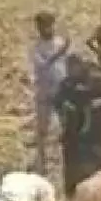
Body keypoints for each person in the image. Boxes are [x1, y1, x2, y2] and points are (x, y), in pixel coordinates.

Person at [55, 55, 101, 200]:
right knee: (74, 172)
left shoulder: (97, 79)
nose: (70, 71)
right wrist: (66, 106)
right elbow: (58, 101)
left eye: (73, 68)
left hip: (97, 134)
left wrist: (100, 103)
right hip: (74, 136)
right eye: (68, 68)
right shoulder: (67, 84)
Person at [29, 12, 69, 173]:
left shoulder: (59, 42)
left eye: (48, 25)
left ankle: (65, 162)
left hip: (61, 91)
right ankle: (41, 162)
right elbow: (43, 66)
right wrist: (59, 53)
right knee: (42, 130)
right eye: (43, 26)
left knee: (65, 126)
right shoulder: (37, 48)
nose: (46, 29)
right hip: (45, 93)